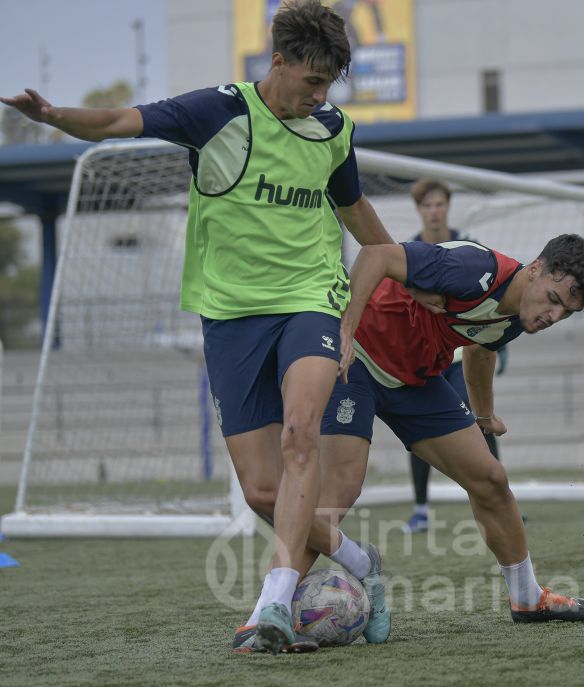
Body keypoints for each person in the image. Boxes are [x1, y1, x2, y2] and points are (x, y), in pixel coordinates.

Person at [2, 0, 393, 655]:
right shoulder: (218, 112)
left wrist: (377, 297)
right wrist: (54, 117)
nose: (320, 96)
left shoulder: (333, 130)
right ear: (280, 61)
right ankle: (362, 564)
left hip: (310, 300)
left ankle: (274, 599)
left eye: (329, 85)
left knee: (303, 431)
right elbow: (120, 121)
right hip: (232, 315)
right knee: (262, 488)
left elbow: (365, 228)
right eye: (312, 82)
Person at [322, 233, 584, 623]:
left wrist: (483, 416)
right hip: (357, 358)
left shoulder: (517, 316)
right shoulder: (475, 268)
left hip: (414, 380)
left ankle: (527, 598)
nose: (553, 317)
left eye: (566, 313)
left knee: (490, 479)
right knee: (338, 491)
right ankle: (271, 604)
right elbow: (375, 254)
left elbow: (480, 349)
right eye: (555, 300)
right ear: (536, 269)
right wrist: (344, 333)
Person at [402, 178, 503, 534]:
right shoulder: (406, 252)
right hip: (424, 359)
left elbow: (491, 302)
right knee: (418, 435)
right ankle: (420, 509)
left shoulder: (468, 248)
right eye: (427, 205)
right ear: (419, 210)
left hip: (461, 357)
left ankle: (499, 501)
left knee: (481, 421)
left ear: (447, 206)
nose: (434, 211)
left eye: (439, 204)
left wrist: (496, 350)